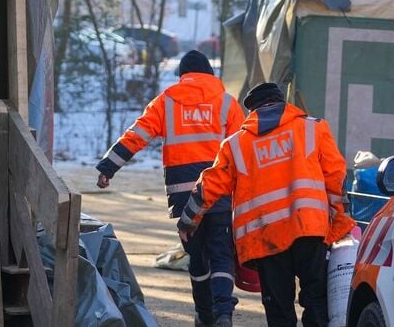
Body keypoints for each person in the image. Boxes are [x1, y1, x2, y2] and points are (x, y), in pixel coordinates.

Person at [177, 82, 356, 327]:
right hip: (309, 229)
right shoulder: (313, 128)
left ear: (252, 111)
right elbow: (336, 177)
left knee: (279, 309)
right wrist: (341, 223)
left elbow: (209, 184)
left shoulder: (236, 144)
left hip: (265, 237)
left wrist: (188, 221)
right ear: (282, 103)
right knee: (316, 300)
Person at [96, 50, 243, 327]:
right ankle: (224, 313)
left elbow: (138, 134)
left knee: (197, 258)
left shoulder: (167, 101)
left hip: (183, 194)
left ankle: (204, 315)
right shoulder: (227, 102)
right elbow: (241, 149)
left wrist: (108, 167)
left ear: (183, 76)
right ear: (210, 74)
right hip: (219, 193)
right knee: (222, 254)